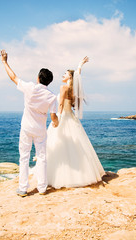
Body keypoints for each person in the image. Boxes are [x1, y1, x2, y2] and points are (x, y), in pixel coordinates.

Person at [0, 50, 59, 197]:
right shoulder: (52, 97)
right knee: (42, 157)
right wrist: (57, 123)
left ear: (38, 78)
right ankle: (42, 188)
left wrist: (4, 62)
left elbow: (13, 77)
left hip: (26, 128)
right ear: (49, 82)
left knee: (24, 157)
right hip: (40, 130)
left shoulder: (30, 87)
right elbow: (53, 117)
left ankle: (23, 188)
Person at [46, 56, 105, 189]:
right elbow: (77, 76)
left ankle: (59, 176)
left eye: (65, 74)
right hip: (72, 118)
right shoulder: (74, 89)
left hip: (63, 117)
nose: (63, 75)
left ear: (70, 78)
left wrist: (56, 120)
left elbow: (60, 104)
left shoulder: (63, 88)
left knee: (59, 145)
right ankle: (82, 174)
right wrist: (80, 65)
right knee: (77, 147)